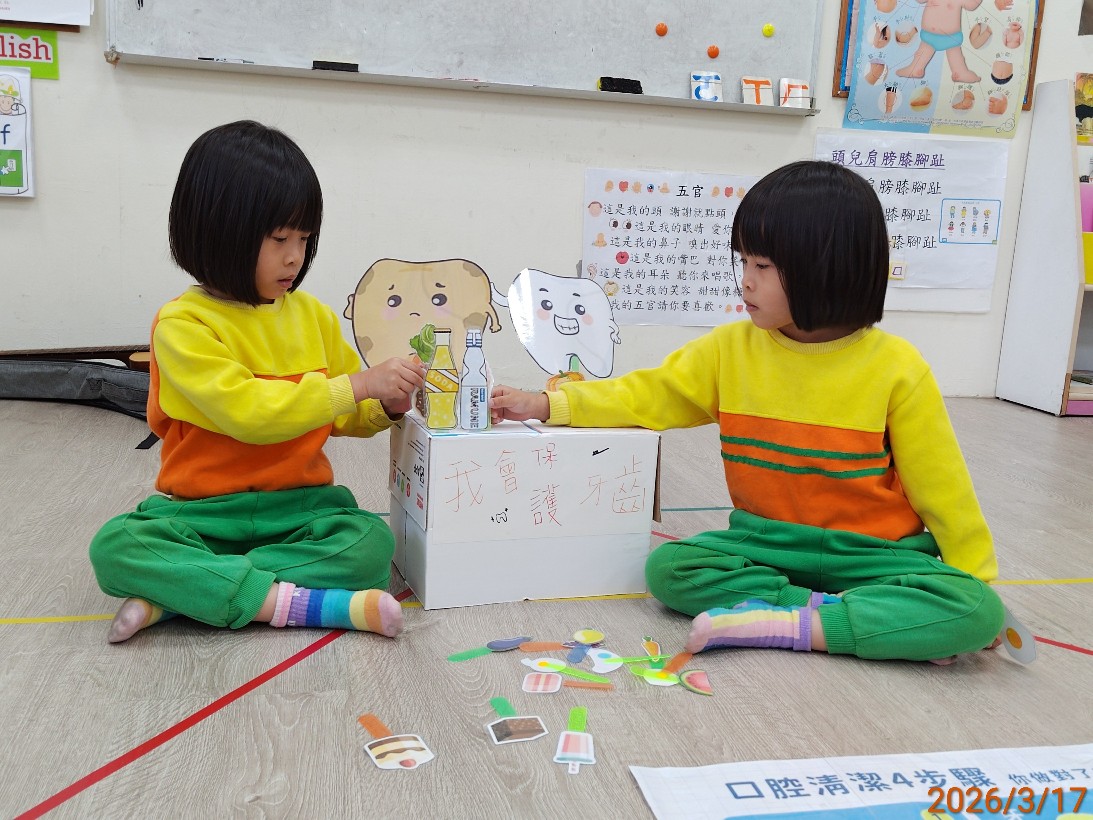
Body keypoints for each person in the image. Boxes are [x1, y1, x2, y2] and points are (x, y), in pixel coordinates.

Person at [491, 160, 1004, 664]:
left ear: (827, 268)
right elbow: (647, 394)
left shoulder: (897, 367)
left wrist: (975, 576)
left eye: (763, 267)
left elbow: (944, 489)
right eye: (744, 262)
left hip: (875, 556)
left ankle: (790, 620)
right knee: (670, 568)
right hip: (766, 544)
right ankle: (822, 617)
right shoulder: (729, 350)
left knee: (978, 609)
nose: (746, 281)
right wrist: (549, 404)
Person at [89, 120, 425, 643]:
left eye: (304, 238)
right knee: (115, 547)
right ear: (218, 231)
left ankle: (186, 593)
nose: (295, 256)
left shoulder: (312, 316)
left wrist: (389, 403)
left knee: (370, 543)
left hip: (300, 510)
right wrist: (359, 384)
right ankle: (299, 603)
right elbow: (251, 414)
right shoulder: (182, 326)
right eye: (279, 239)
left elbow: (347, 414)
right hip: (202, 514)